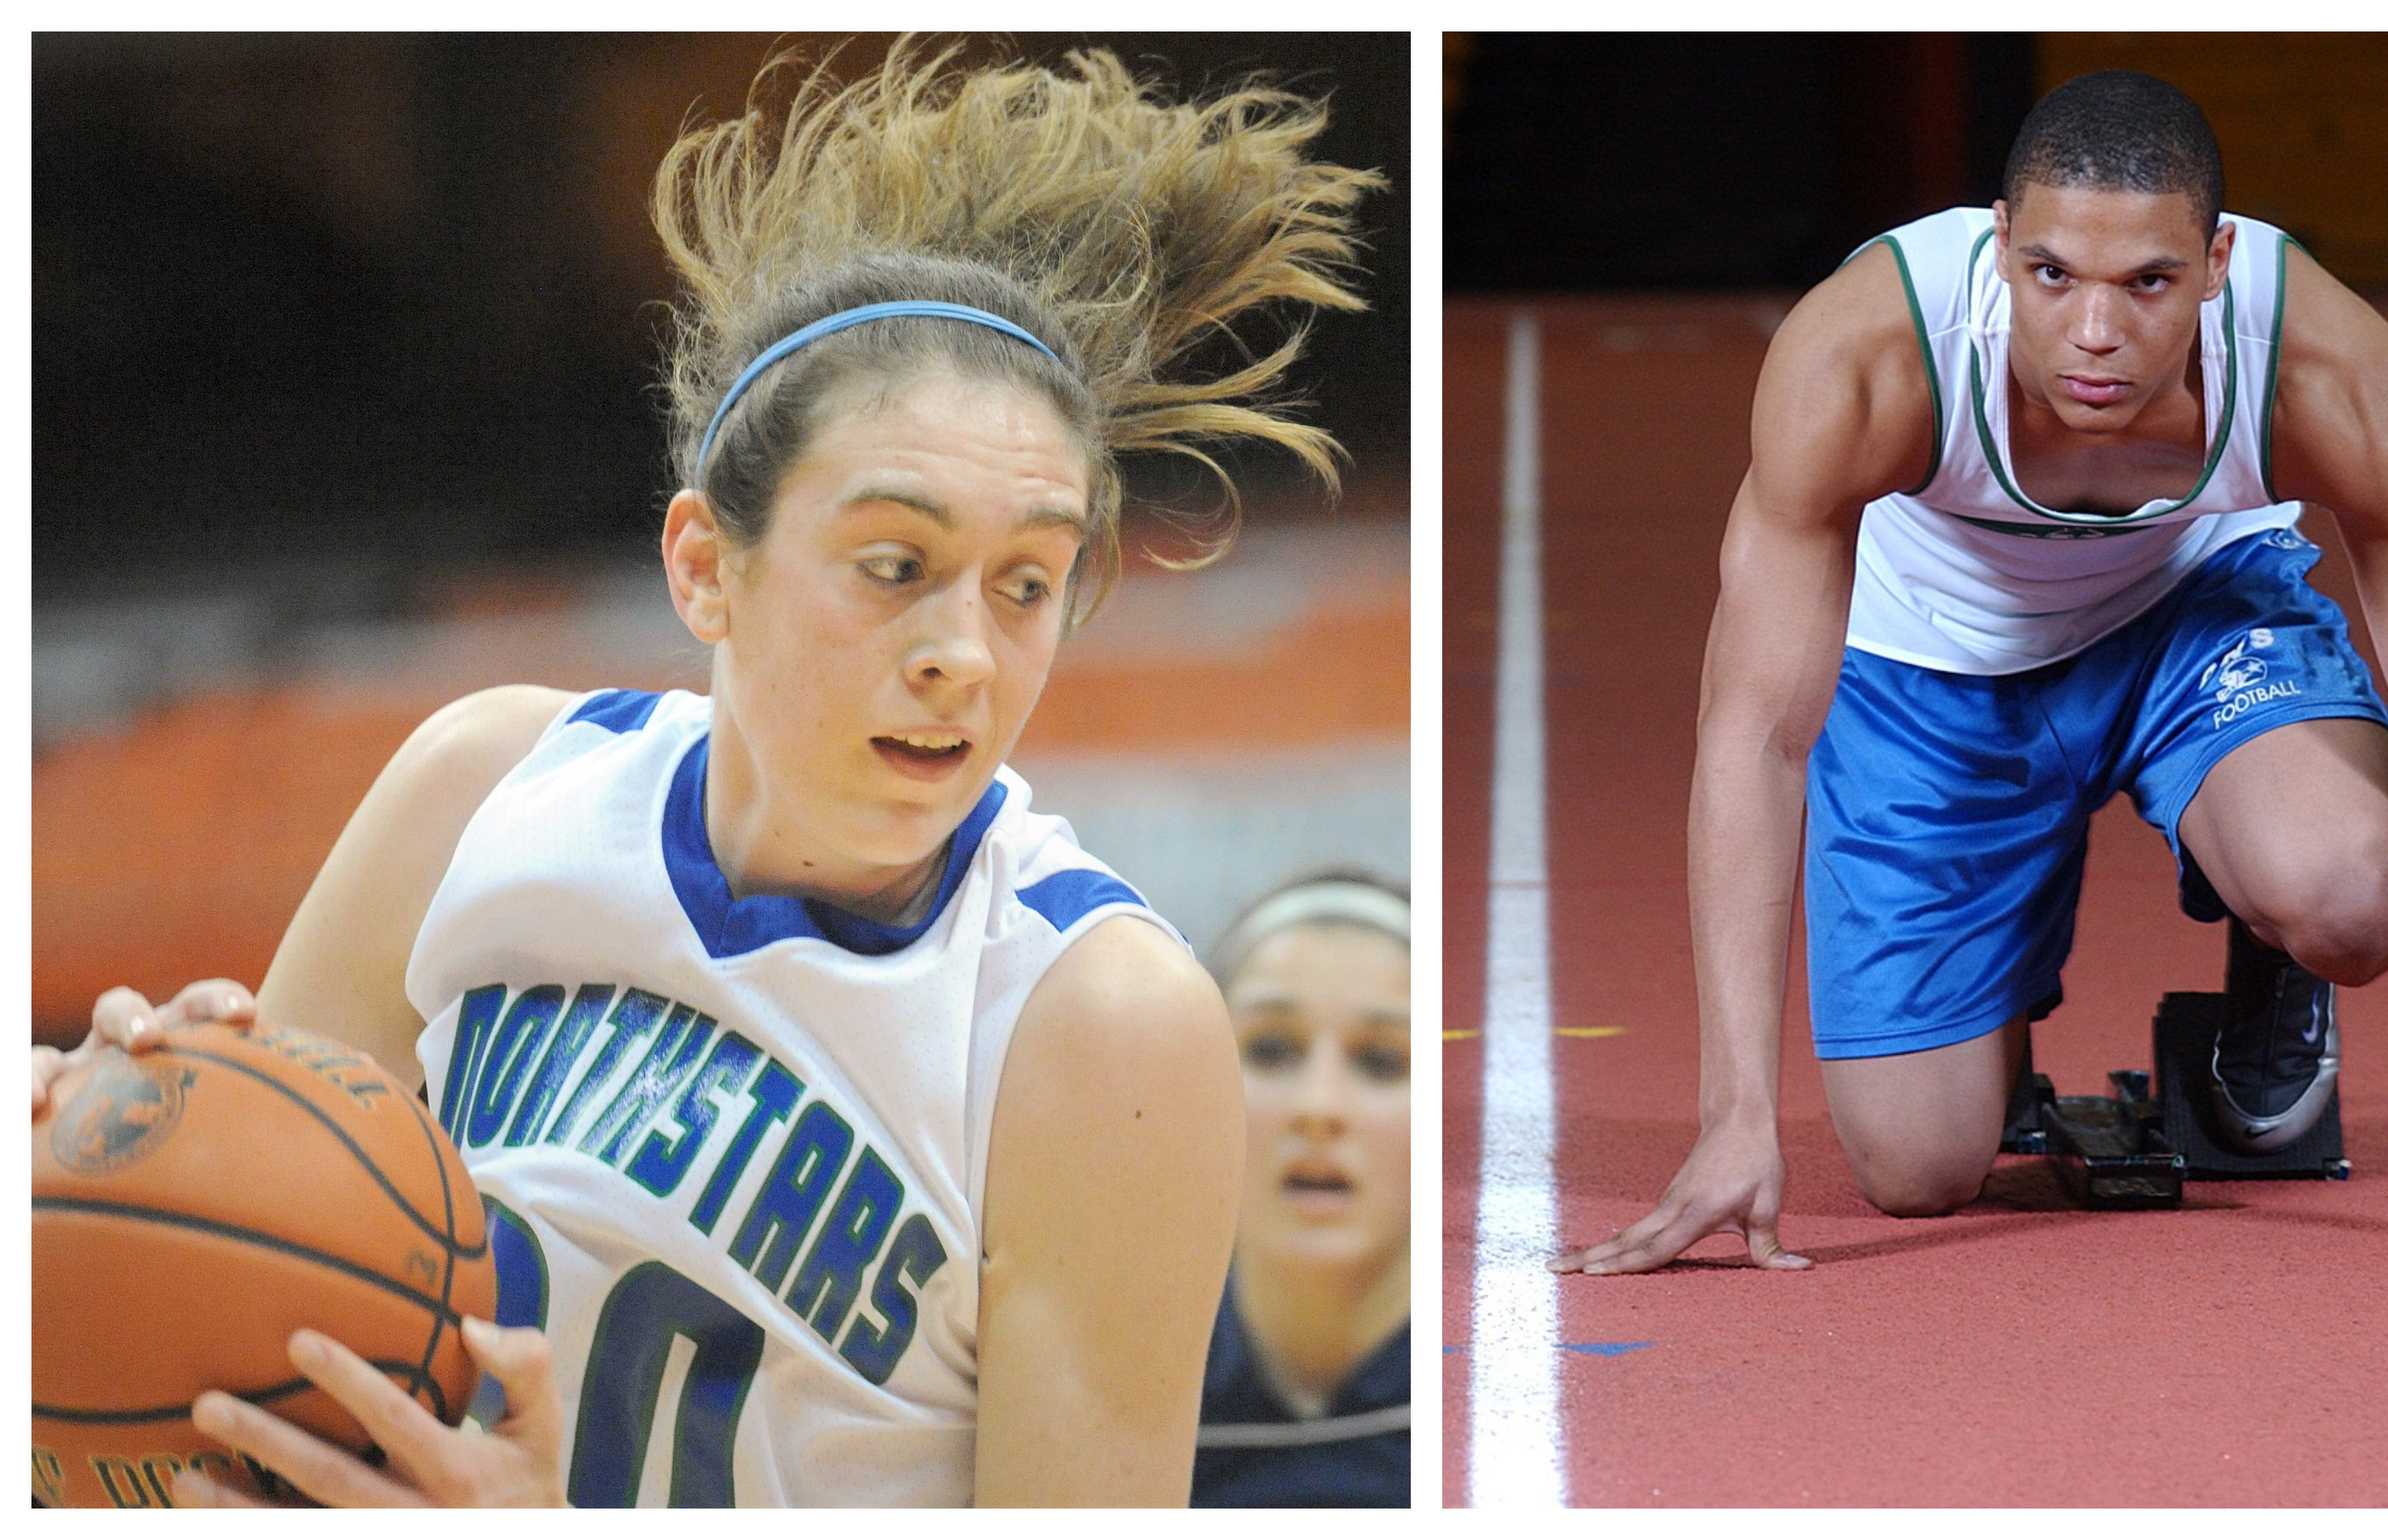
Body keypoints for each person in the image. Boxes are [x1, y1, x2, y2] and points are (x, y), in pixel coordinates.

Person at [34, 38, 1379, 1506]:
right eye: (892, 564)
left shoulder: (1097, 1020)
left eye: (1026, 582)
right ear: (705, 566)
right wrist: (101, 1161)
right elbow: (216, 1380)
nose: (964, 654)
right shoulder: (482, 789)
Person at [1552, 70, 2388, 1278]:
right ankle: (1992, 1021)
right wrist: (1734, 1117)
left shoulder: (2326, 369)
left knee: (2349, 891)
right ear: (1997, 247)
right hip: (1933, 665)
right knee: (1914, 1172)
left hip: (2191, 619)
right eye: (2052, 276)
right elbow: (1756, 739)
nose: (2096, 333)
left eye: (2149, 282)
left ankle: (2273, 961)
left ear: (2220, 261)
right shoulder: (1866, 355)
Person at [1190, 874, 1412, 1507]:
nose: (1318, 1107)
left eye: (1381, 1061)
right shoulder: (1101, 1381)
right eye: (1271, 1050)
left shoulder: (1485, 1408)